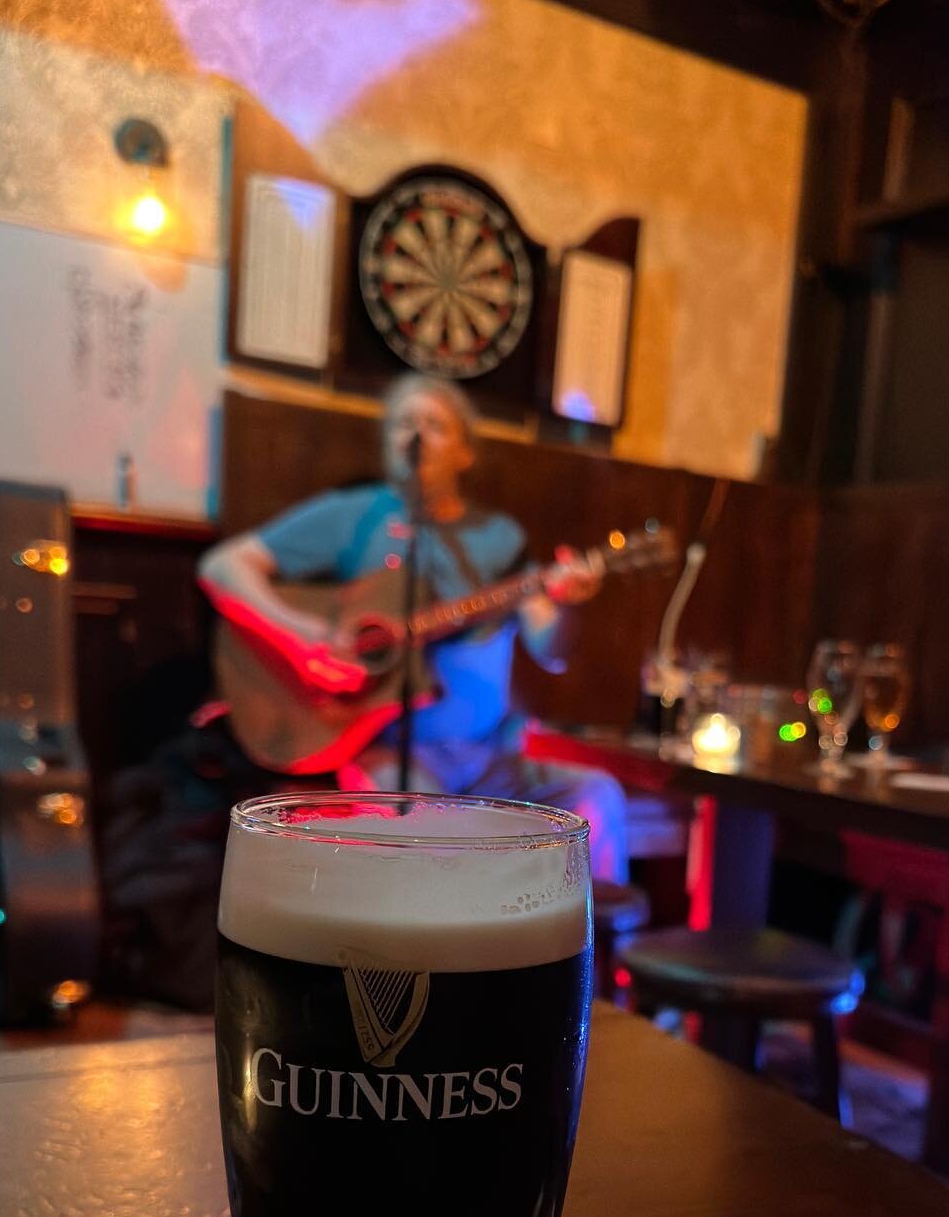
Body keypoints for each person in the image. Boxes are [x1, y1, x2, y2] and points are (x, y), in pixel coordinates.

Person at [196, 373, 630, 882]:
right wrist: (301, 634)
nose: (416, 435)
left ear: (465, 452)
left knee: (597, 797)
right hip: (390, 757)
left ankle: (590, 954)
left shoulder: (499, 538)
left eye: (434, 424)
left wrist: (567, 602)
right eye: (404, 423)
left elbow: (551, 649)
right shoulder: (354, 516)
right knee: (426, 832)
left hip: (491, 756)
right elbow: (224, 567)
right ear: (387, 443)